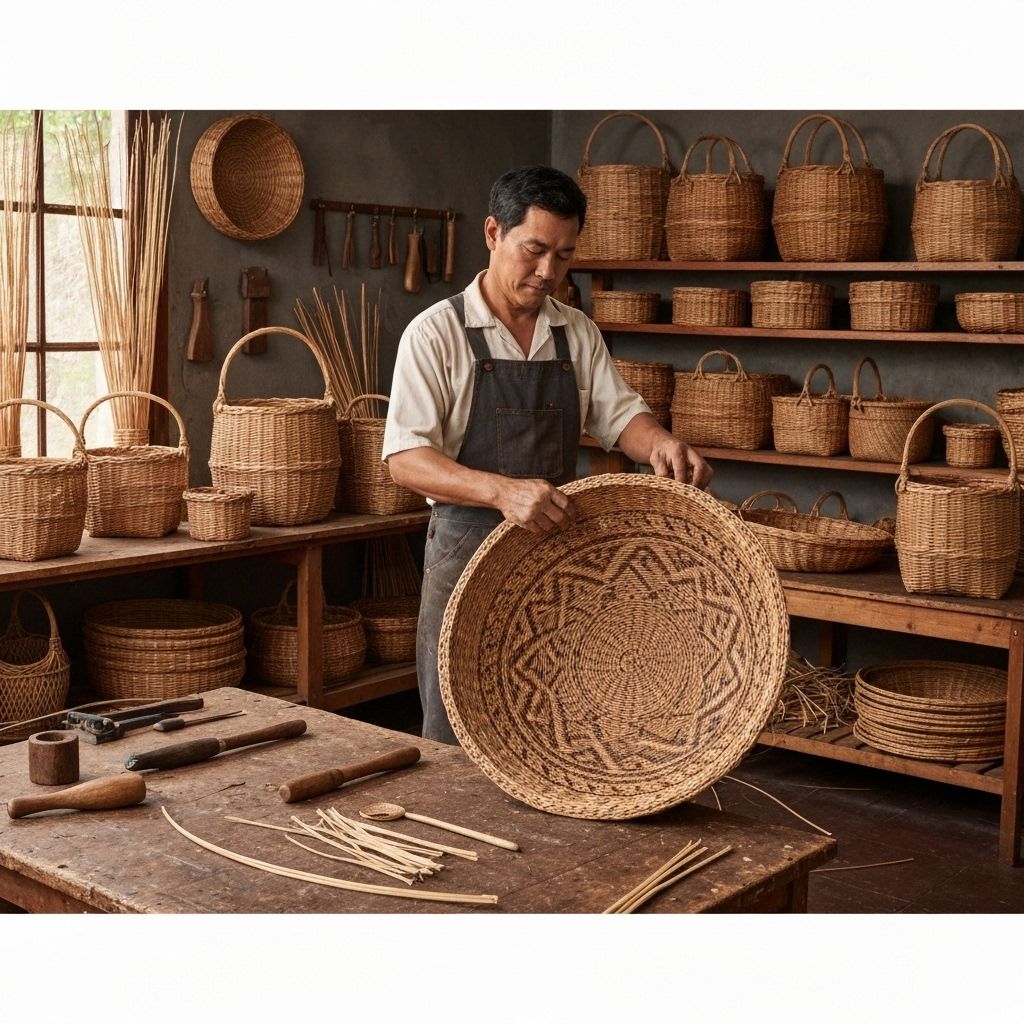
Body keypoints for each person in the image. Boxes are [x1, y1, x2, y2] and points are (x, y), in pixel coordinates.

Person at [382, 165, 713, 744]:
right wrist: (500, 491)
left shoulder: (575, 332)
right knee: (456, 723)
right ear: (493, 234)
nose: (547, 273)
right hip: (465, 551)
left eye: (564, 257)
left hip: (555, 558)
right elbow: (404, 457)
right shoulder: (435, 334)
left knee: (550, 719)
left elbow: (618, 417)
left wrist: (658, 442)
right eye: (534, 250)